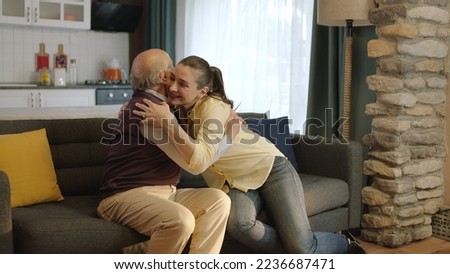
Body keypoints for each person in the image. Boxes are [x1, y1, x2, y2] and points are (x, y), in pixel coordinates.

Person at [133, 55, 366, 254]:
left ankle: (343, 243)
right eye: (172, 78)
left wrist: (169, 123)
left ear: (202, 91)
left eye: (182, 84)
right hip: (236, 183)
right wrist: (134, 101)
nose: (173, 87)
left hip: (270, 168)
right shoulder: (183, 107)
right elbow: (157, 100)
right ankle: (294, 252)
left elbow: (198, 161)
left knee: (303, 248)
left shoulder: (211, 107)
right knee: (239, 225)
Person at [97, 49, 232, 254]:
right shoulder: (149, 112)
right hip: (122, 197)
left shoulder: (160, 106)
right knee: (180, 220)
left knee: (218, 201)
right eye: (172, 70)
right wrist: (228, 137)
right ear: (165, 76)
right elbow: (193, 165)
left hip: (164, 193)